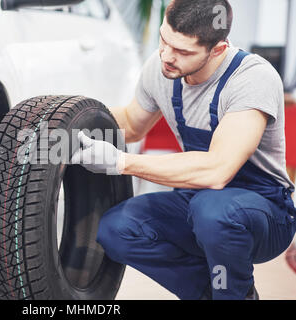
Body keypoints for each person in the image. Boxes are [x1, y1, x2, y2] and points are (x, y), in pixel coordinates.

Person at [71, 0, 296, 300]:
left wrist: (121, 162)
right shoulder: (162, 67)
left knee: (213, 212)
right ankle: (217, 292)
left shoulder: (252, 78)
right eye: (164, 41)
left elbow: (217, 170)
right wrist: (69, 126)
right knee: (116, 228)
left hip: (265, 212)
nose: (166, 56)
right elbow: (131, 124)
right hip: (197, 200)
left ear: (217, 49)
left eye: (183, 52)